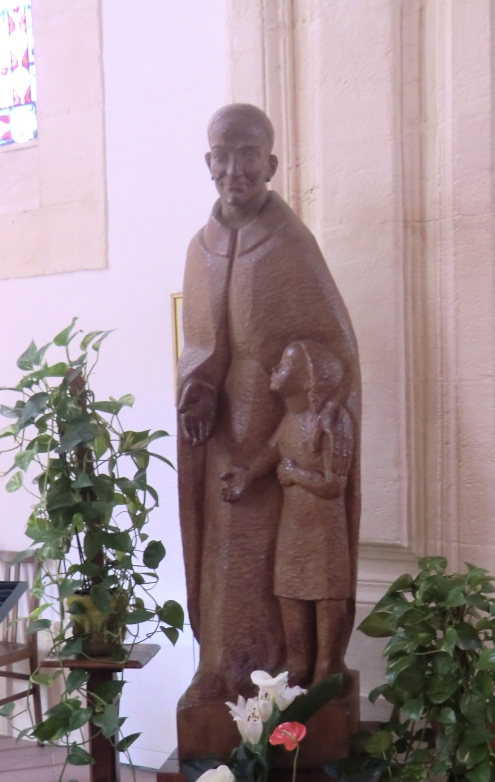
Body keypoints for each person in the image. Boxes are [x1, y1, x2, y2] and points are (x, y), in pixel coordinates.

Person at [177, 104, 361, 707]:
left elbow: (335, 344)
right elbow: (199, 344)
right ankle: (223, 668)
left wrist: (312, 413)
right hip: (225, 431)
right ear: (209, 164)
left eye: (249, 155)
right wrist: (197, 390)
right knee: (224, 545)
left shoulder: (290, 245)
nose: (235, 169)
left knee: (280, 560)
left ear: (271, 163)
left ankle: (285, 669)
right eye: (223, 157)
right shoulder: (199, 247)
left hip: (280, 423)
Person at [221, 340, 354, 686]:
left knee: (326, 595)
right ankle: (297, 668)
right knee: (290, 592)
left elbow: (334, 485)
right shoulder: (291, 420)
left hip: (325, 531)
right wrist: (247, 474)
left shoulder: (333, 422)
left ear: (309, 379)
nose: (274, 370)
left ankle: (327, 667)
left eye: (284, 365)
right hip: (294, 529)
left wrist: (296, 474)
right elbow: (269, 452)